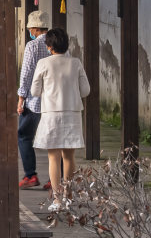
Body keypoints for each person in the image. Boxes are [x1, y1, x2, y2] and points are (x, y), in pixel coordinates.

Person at [30, 27, 90, 212]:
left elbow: (34, 91)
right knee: (69, 156)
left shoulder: (43, 63)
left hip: (51, 114)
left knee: (53, 157)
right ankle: (69, 195)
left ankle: (57, 200)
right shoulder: (76, 63)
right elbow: (86, 90)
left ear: (49, 46)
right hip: (72, 113)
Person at [17, 9, 51, 189]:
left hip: (34, 101)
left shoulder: (33, 46)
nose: (29, 31)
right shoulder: (57, 44)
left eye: (30, 28)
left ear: (35, 29)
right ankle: (55, 178)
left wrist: (21, 97)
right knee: (55, 140)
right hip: (53, 101)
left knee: (23, 136)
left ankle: (31, 175)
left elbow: (27, 73)